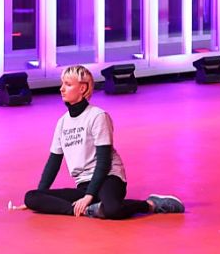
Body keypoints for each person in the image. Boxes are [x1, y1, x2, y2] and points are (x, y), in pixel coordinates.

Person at [22, 66, 184, 219]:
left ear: (83, 88)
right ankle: (85, 210)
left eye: (68, 84)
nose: (61, 89)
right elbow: (53, 162)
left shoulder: (98, 116)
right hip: (83, 184)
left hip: (109, 178)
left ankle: (151, 204)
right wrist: (41, 196)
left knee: (112, 209)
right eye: (62, 84)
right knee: (31, 197)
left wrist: (88, 196)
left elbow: (104, 161)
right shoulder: (62, 122)